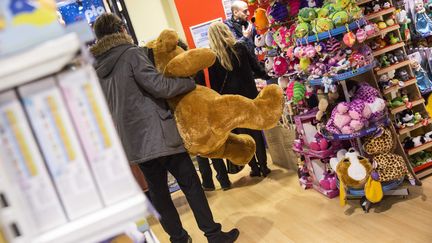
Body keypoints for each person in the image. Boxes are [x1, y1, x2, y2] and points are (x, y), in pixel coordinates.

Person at [90, 13, 239, 243]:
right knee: (191, 185)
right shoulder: (131, 54)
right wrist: (188, 83)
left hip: (134, 142)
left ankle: (178, 239)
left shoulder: (97, 69)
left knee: (159, 194)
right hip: (159, 132)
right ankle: (213, 233)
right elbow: (158, 86)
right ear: (119, 29)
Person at [197, 22, 271, 177]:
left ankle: (254, 168)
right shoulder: (241, 48)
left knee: (242, 135)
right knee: (256, 131)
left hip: (231, 103)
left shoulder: (212, 58)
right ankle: (264, 166)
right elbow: (256, 68)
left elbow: (215, 86)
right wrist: (269, 76)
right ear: (226, 31)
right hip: (249, 97)